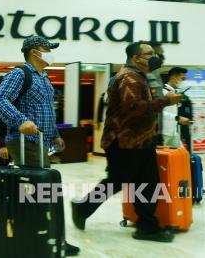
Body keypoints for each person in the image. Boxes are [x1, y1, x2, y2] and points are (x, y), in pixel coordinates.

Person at [71, 41, 183, 243]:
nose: (155, 56)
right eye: (150, 53)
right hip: (125, 143)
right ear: (135, 57)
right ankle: (83, 208)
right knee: (118, 182)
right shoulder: (129, 78)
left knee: (146, 184)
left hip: (138, 141)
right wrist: (167, 101)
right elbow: (134, 107)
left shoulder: (135, 76)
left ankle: (147, 227)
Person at [0, 35, 80, 256]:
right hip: (24, 142)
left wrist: (55, 135)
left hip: (40, 141)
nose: (51, 52)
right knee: (39, 192)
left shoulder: (45, 77)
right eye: (47, 48)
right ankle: (38, 239)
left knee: (41, 190)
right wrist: (20, 121)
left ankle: (46, 236)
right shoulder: (19, 74)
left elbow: (47, 111)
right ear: (34, 51)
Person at [161, 67, 192, 148]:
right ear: (173, 79)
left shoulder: (175, 93)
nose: (184, 81)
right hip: (163, 132)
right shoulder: (163, 92)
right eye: (183, 78)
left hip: (173, 132)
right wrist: (177, 118)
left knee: (182, 155)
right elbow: (159, 112)